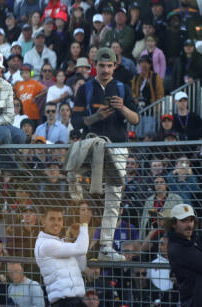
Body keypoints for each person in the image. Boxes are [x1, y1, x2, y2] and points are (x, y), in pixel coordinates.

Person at [70, 47, 140, 261]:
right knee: (78, 185)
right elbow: (76, 122)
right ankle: (76, 240)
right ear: (95, 66)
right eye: (102, 65)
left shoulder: (123, 88)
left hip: (117, 145)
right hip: (92, 144)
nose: (106, 69)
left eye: (109, 66)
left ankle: (106, 245)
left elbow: (135, 119)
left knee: (114, 196)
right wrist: (97, 116)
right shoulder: (85, 89)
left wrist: (122, 109)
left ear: (115, 66)